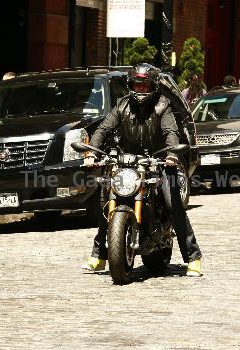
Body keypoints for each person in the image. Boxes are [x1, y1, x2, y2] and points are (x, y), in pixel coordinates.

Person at [82, 63, 202, 277]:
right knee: (105, 201)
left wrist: (172, 154)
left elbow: (170, 132)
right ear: (131, 86)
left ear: (153, 87)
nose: (140, 90)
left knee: (171, 201)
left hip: (160, 161)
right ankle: (99, 256)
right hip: (128, 163)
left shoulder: (162, 105)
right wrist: (92, 152)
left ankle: (192, 257)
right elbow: (103, 129)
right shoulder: (122, 105)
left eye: (145, 86)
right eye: (137, 86)